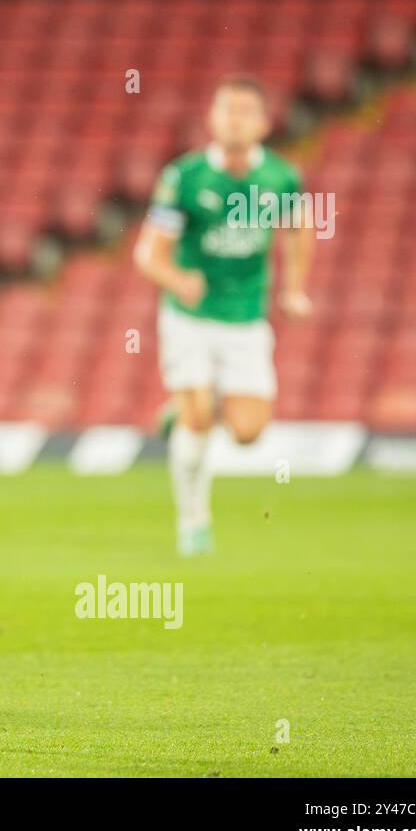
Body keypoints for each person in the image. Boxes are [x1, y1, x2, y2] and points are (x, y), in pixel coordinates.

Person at [133, 75, 313, 557]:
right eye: (226, 110)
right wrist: (177, 280)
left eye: (244, 111)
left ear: (263, 122)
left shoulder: (281, 178)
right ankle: (193, 521)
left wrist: (294, 288)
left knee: (250, 432)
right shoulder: (185, 178)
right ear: (212, 119)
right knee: (196, 421)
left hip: (246, 316)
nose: (234, 119)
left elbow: (299, 229)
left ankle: (185, 409)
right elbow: (149, 254)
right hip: (189, 316)